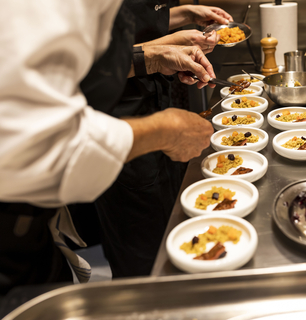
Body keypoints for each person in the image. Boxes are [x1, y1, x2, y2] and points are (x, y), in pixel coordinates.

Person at [0, 0, 216, 294]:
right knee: (141, 268)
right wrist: (162, 131)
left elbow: (80, 67)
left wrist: (152, 56)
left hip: (34, 222)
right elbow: (33, 141)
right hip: (11, 227)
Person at [86, 1, 234, 279]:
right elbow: (83, 69)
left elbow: (136, 20)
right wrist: (155, 54)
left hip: (159, 99)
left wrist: (183, 16)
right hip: (119, 122)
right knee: (143, 254)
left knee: (178, 227)